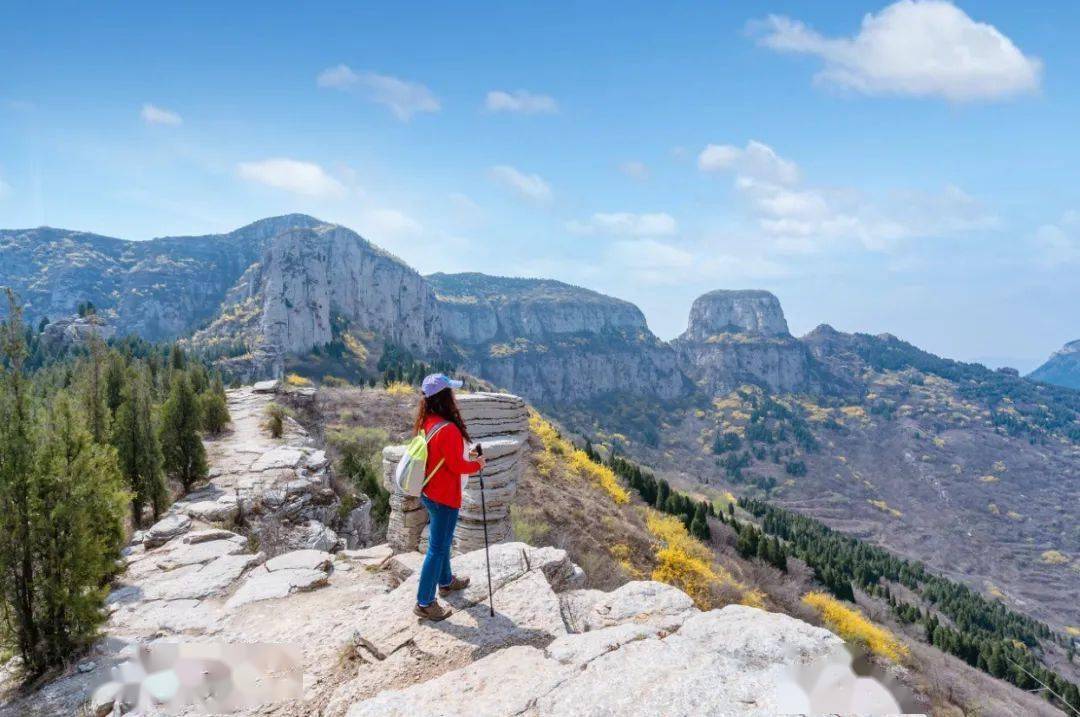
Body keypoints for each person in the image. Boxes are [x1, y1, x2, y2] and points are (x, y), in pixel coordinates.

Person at [412, 373, 485, 620]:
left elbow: (442, 458)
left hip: (429, 491)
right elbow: (456, 466)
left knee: (441, 541)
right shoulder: (449, 429)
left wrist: (466, 459)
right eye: (451, 392)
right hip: (444, 497)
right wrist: (478, 464)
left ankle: (445, 581)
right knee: (437, 547)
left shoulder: (427, 422)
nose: (455, 396)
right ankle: (424, 602)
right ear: (445, 397)